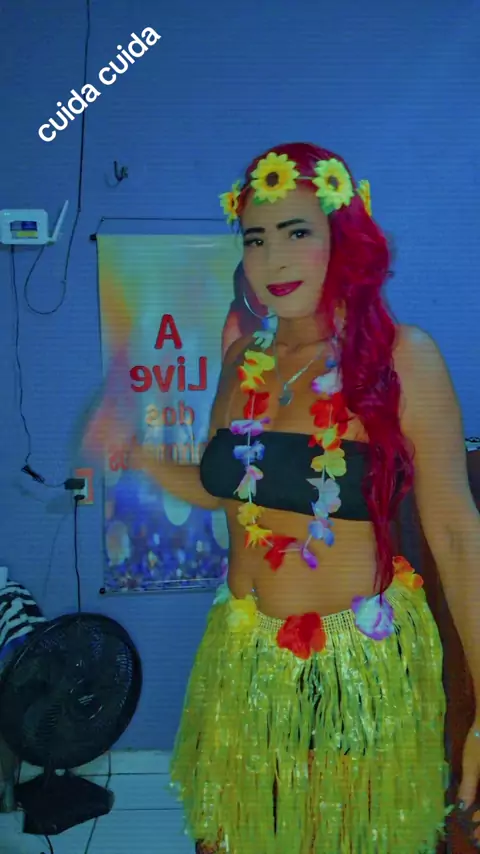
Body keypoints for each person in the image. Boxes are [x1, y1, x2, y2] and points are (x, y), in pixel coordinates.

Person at [86, 142, 480, 854]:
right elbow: (223, 490)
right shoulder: (245, 360)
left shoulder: (402, 357)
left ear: (343, 236)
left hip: (353, 667)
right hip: (243, 655)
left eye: (297, 231)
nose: (274, 258)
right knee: (234, 837)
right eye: (256, 239)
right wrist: (135, 453)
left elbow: (456, 533)